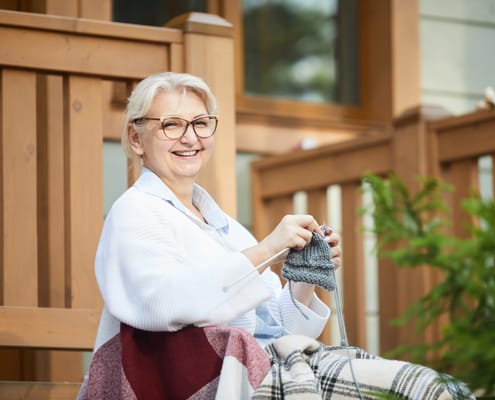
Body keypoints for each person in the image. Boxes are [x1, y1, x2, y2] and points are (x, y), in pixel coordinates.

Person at [78, 72, 475, 400]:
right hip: (222, 380)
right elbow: (162, 304)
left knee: (438, 390)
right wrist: (266, 249)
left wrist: (303, 276)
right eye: (171, 125)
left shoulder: (225, 227)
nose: (190, 137)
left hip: (278, 366)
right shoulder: (134, 211)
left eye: (200, 123)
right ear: (135, 138)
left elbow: (283, 328)